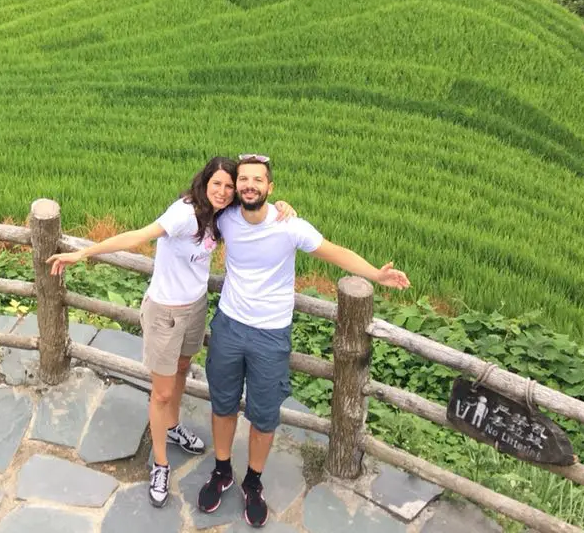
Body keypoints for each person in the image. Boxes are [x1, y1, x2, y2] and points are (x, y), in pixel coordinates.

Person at [49, 159, 294, 509]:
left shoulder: (223, 212)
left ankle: (174, 426)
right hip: (165, 313)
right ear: (204, 183)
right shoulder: (184, 214)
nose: (224, 192)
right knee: (162, 393)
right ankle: (160, 464)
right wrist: (84, 253)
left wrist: (284, 207)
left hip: (194, 309)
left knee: (181, 371)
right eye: (217, 184)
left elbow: (260, 203)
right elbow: (139, 236)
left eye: (230, 186)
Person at [199, 155, 410, 528]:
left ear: (270, 188)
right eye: (243, 179)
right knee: (223, 405)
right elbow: (195, 208)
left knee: (264, 417)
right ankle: (221, 472)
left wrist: (376, 274)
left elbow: (334, 251)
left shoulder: (288, 225)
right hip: (229, 325)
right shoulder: (225, 216)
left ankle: (253, 482)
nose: (249, 185)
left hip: (271, 333)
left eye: (257, 180)